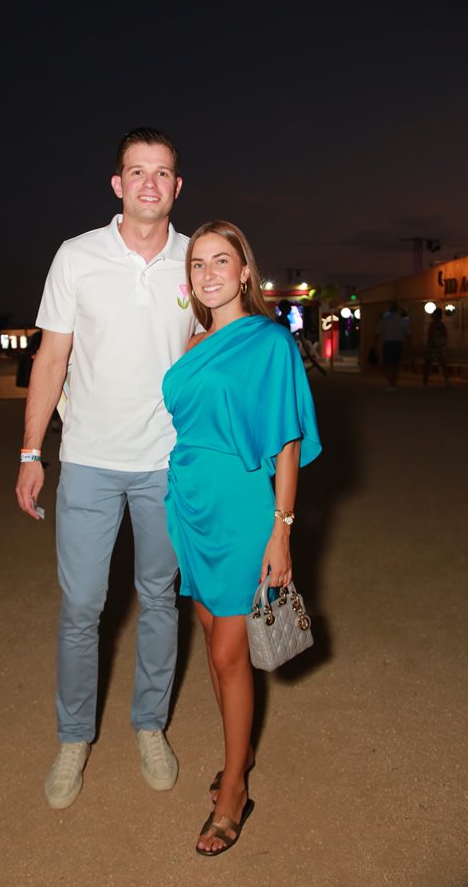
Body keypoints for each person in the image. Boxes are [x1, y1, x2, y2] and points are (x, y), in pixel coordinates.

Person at [15, 127, 197, 810]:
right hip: (89, 458)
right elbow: (51, 358)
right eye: (137, 171)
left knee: (159, 600)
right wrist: (31, 451)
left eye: (162, 171)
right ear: (118, 184)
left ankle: (150, 725)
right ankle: (73, 738)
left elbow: (210, 351)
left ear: (177, 186)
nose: (150, 182)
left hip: (167, 464)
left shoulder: (196, 260)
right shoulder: (77, 256)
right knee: (83, 606)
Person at [162, 221, 322, 856]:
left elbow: (287, 443)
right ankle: (241, 750)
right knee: (211, 635)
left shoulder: (270, 342)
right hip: (189, 501)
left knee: (231, 651)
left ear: (245, 271)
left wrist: (281, 531)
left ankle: (235, 787)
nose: (208, 273)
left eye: (220, 261)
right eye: (197, 263)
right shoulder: (191, 339)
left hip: (241, 507)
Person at [376, 300, 410, 392]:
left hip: (388, 343)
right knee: (396, 364)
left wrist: (376, 345)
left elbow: (378, 333)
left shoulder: (385, 320)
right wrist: (407, 346)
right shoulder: (403, 321)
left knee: (387, 364)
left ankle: (391, 383)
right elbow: (408, 335)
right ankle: (393, 383)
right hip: (399, 343)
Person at [422, 307, 450, 388]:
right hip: (436, 347)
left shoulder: (437, 325)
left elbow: (443, 335)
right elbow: (444, 336)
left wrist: (435, 343)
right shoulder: (437, 325)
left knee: (431, 364)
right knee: (439, 364)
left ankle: (425, 383)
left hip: (436, 347)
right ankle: (425, 383)